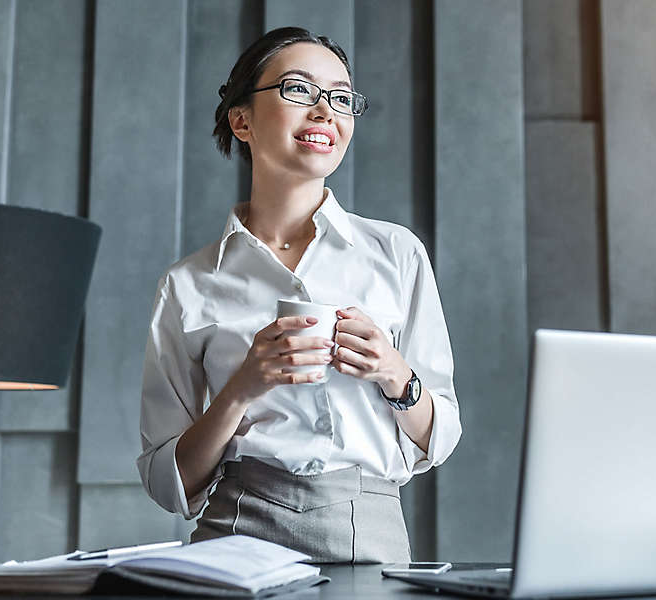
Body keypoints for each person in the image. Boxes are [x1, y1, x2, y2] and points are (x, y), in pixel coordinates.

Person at [136, 26, 461, 564]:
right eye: (298, 89)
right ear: (242, 121)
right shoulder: (188, 283)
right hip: (233, 537)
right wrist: (242, 388)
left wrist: (395, 374)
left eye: (340, 97)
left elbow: (440, 437)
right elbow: (170, 482)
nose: (324, 111)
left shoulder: (397, 253)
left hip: (368, 536)